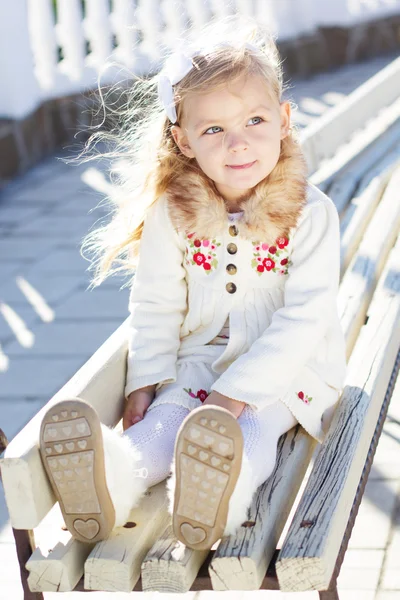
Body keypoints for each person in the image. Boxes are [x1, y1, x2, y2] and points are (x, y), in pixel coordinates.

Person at [38, 16, 347, 551]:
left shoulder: (310, 214)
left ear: (284, 119)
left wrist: (234, 395)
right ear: (182, 140)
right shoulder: (171, 213)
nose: (239, 144)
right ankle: (108, 482)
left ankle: (213, 501)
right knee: (166, 421)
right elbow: (155, 302)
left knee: (248, 433)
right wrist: (148, 377)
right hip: (199, 361)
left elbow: (306, 319)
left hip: (289, 370)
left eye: (254, 120)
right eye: (213, 130)